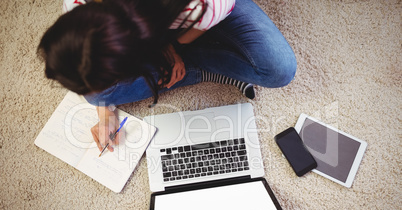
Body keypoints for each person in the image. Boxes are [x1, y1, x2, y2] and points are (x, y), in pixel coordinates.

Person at [38, 0, 297, 153]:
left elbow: (209, 15)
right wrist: (105, 114)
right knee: (96, 96)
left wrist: (177, 48)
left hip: (203, 12)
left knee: (278, 69)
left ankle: (198, 65)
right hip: (155, 29)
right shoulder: (79, 4)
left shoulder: (202, 6)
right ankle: (208, 67)